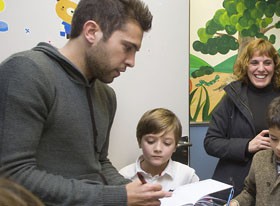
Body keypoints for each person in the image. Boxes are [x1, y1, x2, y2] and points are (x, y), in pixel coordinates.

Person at [0, 0, 171, 205]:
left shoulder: (106, 95)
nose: (131, 62)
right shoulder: (27, 72)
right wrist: (118, 196)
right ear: (91, 32)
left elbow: (98, 163)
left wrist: (137, 191)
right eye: (127, 48)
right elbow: (12, 175)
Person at [204, 38, 280, 199]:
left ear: (275, 66)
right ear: (246, 65)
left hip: (277, 185)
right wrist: (247, 146)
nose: (261, 69)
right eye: (254, 62)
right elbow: (211, 142)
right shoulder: (231, 98)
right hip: (237, 186)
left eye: (267, 63)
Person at [119, 108, 199, 191]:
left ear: (175, 146)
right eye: (151, 141)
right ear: (139, 142)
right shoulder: (124, 176)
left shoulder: (187, 175)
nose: (158, 149)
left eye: (167, 143)